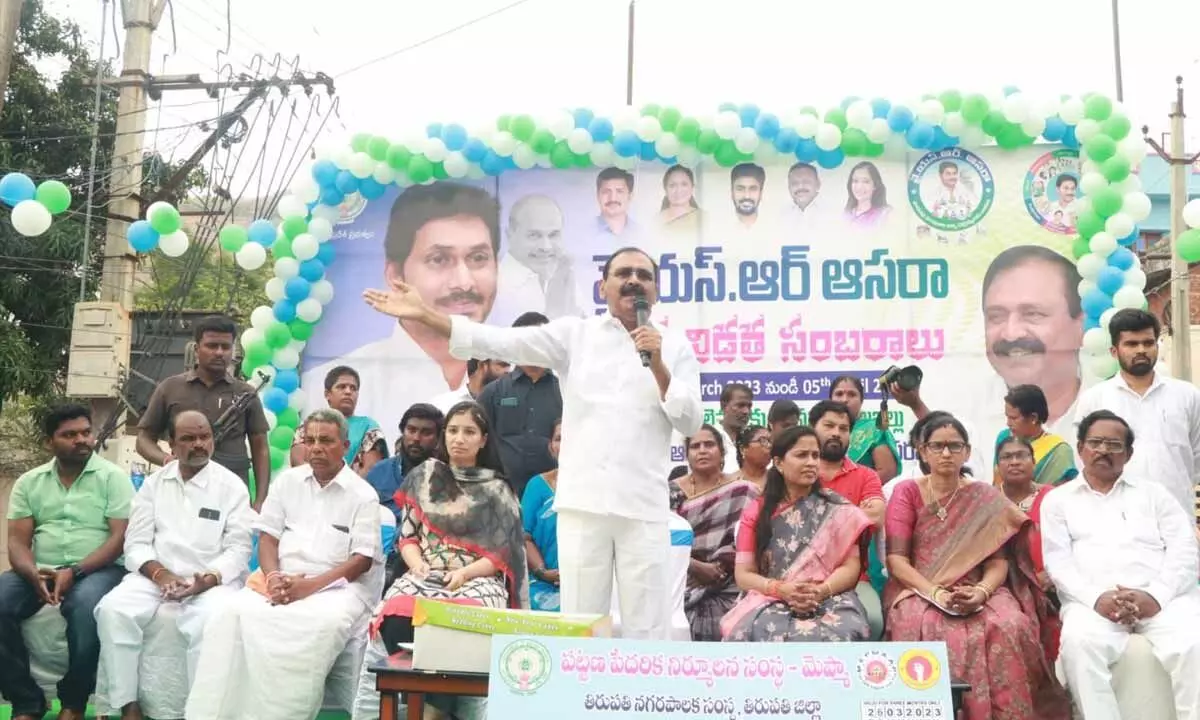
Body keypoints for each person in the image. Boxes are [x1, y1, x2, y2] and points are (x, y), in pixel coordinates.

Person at [363, 246, 702, 639]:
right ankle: (583, 699)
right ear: (602, 286)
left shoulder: (675, 348)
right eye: (623, 273)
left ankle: (642, 701)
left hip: (643, 506)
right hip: (584, 506)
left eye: (644, 275)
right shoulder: (577, 335)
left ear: (656, 291)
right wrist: (428, 316)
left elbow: (689, 418)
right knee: (582, 624)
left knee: (649, 626)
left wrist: (657, 364)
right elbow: (501, 341)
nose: (633, 281)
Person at [184, 409, 382, 720]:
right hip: (281, 580)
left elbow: (361, 561)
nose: (315, 448)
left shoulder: (363, 495)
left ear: (345, 446)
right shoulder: (287, 482)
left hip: (339, 589)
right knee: (228, 615)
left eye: (326, 441)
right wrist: (274, 576)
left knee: (319, 626)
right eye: (310, 440)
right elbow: (268, 539)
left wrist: (309, 587)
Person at [884, 414, 1066, 720]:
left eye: (954, 446)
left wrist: (981, 592)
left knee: (1009, 624)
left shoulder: (984, 495)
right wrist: (937, 594)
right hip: (919, 587)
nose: (946, 454)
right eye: (937, 446)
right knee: (925, 626)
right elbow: (896, 560)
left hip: (981, 587)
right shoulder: (908, 492)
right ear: (923, 451)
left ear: (967, 452)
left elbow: (998, 562)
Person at [302, 183, 502, 439]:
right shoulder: (321, 383)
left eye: (478, 258)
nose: (464, 282)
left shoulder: (515, 381)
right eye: (439, 259)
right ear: (395, 274)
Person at [94, 411, 253, 720]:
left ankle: (200, 712)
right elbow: (136, 544)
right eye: (188, 439)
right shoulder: (154, 485)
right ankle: (129, 706)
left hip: (211, 582)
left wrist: (204, 580)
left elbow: (238, 551)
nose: (199, 444)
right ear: (171, 445)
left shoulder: (231, 487)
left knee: (213, 621)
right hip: (155, 578)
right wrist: (161, 574)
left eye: (204, 437)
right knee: (113, 610)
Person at [1043, 410, 1200, 720]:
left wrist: (1155, 596)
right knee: (1079, 645)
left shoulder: (1156, 495)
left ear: (1128, 454)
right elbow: (1058, 562)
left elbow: (1185, 551)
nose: (1103, 450)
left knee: (1194, 642)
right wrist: (1097, 598)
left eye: (1114, 445)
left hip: (1162, 601)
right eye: (1096, 442)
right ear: (1080, 448)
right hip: (1093, 605)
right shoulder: (1058, 501)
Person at [0, 405, 133, 720]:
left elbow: (119, 539)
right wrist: (32, 573)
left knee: (86, 610)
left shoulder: (113, 478)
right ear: (50, 442)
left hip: (99, 569)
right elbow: (18, 541)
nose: (81, 439)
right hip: (41, 568)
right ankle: (26, 700)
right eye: (69, 435)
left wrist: (74, 572)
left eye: (85, 432)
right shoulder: (30, 482)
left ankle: (73, 702)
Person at [897, 244, 1084, 451]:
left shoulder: (1109, 403)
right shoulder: (962, 409)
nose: (1011, 333)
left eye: (1033, 314)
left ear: (1080, 325)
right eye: (996, 316)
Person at [372, 401, 527, 644]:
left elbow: (501, 555)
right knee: (396, 611)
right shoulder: (424, 477)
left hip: (477, 579)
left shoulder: (497, 490)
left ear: (483, 440)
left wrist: (464, 574)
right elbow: (408, 537)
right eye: (453, 431)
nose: (459, 439)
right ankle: (405, 681)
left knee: (465, 622)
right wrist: (417, 566)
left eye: (469, 432)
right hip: (424, 574)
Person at [721, 425, 873, 642]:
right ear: (779, 462)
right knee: (759, 630)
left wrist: (820, 592)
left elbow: (850, 567)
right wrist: (781, 590)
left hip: (830, 595)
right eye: (802, 455)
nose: (811, 462)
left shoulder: (838, 509)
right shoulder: (757, 511)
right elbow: (744, 575)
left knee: (845, 629)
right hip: (769, 596)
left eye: (815, 455)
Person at [1073, 308, 1200, 517]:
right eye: (1132, 344)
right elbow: (1084, 460)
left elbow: (1196, 458)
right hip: (1115, 517)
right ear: (1114, 351)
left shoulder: (1187, 395)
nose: (1141, 350)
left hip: (1175, 515)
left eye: (1148, 343)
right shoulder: (1095, 399)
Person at [137, 314, 271, 507]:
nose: (219, 353)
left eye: (226, 347)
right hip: (182, 491)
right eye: (212, 345)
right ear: (197, 348)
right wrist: (167, 460)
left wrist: (260, 500)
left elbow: (260, 447)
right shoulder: (170, 388)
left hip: (232, 494)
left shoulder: (245, 393)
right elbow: (144, 439)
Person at [668, 425, 758, 641]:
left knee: (742, 622)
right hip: (680, 579)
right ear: (687, 455)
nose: (702, 450)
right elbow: (660, 540)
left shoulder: (744, 490)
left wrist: (719, 567)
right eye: (695, 446)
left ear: (722, 452)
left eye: (709, 445)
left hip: (730, 581)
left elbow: (750, 541)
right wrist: (696, 566)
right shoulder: (670, 491)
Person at [809, 400, 886, 638]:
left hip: (854, 580)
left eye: (843, 429)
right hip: (797, 576)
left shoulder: (866, 476)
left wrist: (819, 521)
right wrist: (853, 515)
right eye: (829, 425)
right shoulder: (796, 472)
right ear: (812, 428)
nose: (836, 433)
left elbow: (876, 516)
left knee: (872, 619)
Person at [476, 312, 563, 498]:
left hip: (553, 494)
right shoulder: (493, 393)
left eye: (540, 341)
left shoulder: (565, 391)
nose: (534, 348)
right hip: (500, 493)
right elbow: (478, 441)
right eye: (526, 342)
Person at [490, 194, 581, 327]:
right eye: (534, 235)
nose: (546, 247)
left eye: (553, 235)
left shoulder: (564, 278)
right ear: (509, 235)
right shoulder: (494, 287)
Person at [290, 366, 387, 477]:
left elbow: (371, 469)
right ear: (327, 394)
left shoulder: (369, 427)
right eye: (342, 387)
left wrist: (341, 488)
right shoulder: (310, 425)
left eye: (353, 388)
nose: (348, 392)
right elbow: (299, 464)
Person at [996, 435, 1056, 594]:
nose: (1014, 461)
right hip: (1000, 586)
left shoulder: (1053, 497)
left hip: (1050, 584)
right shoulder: (988, 499)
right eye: (1007, 457)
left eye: (1022, 455)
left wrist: (1052, 573)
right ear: (997, 466)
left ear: (1034, 462)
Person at [366, 403, 444, 521]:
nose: (416, 438)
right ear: (402, 432)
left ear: (438, 438)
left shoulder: (446, 479)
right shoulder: (379, 472)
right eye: (411, 430)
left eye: (426, 433)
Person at [993, 384, 1077, 487]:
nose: (1008, 423)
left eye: (1013, 418)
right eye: (1007, 417)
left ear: (1033, 418)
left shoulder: (1059, 450)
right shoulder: (1004, 438)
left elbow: (1062, 491)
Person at [524, 420, 563, 611]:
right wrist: (543, 572)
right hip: (542, 584)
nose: (566, 445)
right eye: (559, 439)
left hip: (587, 582)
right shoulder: (537, 485)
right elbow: (525, 537)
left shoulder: (597, 490)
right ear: (551, 447)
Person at [830, 375, 899, 483]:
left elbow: (887, 471)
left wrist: (852, 489)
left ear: (861, 401)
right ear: (830, 400)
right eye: (839, 394)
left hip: (865, 496)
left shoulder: (874, 430)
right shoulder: (820, 431)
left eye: (852, 394)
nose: (844, 399)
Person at [429, 358, 510, 414]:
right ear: (482, 366)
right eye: (502, 365)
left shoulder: (509, 404)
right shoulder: (442, 405)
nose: (508, 371)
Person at [713, 382, 753, 473]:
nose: (746, 411)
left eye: (749, 406)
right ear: (723, 406)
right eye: (740, 405)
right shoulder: (710, 438)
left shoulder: (754, 440)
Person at [781, 162, 825, 235]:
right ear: (789, 187)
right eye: (794, 183)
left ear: (818, 184)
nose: (800, 186)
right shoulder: (783, 215)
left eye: (806, 181)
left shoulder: (834, 213)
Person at [594, 167, 638, 238]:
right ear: (598, 196)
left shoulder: (642, 233)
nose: (612, 198)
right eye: (606, 192)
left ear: (630, 196)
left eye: (619, 191)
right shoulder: (582, 232)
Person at [843, 161, 890, 227]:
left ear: (875, 185)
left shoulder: (885, 214)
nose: (859, 187)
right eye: (855, 181)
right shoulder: (847, 214)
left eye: (866, 182)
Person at [658, 165, 700, 232]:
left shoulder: (704, 218)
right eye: (672, 185)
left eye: (684, 184)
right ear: (665, 189)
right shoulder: (656, 221)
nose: (678, 190)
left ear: (692, 187)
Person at [734, 424, 770, 491]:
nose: (769, 446)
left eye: (770, 441)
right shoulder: (731, 482)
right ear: (742, 449)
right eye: (763, 441)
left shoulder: (778, 479)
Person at [730, 163, 765, 229]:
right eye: (740, 189)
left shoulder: (774, 229)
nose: (747, 196)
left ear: (761, 193)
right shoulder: (717, 229)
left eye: (753, 189)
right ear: (732, 192)